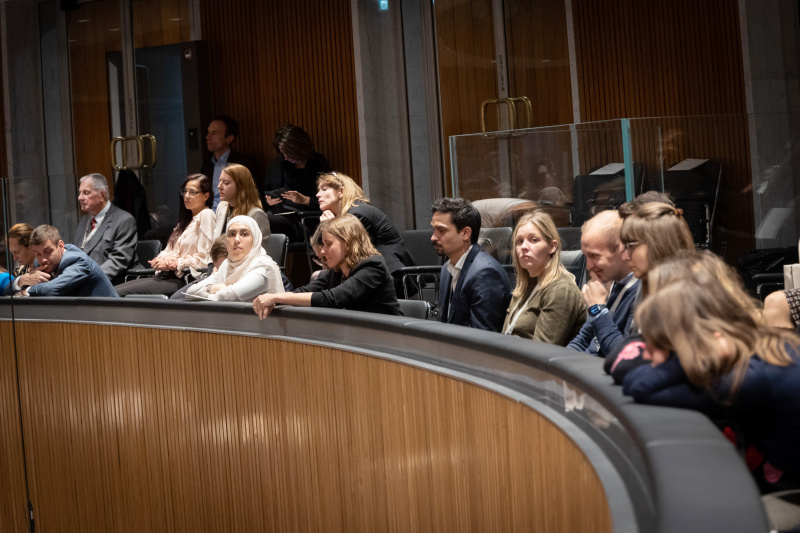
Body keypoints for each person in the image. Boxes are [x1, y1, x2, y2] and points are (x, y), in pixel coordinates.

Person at [622, 252, 800, 488]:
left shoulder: (747, 377)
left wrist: (686, 357)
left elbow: (640, 385)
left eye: (658, 345)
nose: (645, 354)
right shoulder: (753, 343)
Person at [604, 201, 696, 382]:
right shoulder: (647, 290)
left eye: (631, 246)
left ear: (657, 245)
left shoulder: (687, 298)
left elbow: (628, 364)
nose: (624, 256)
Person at [252, 214, 401, 317]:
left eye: (328, 244)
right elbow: (303, 291)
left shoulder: (373, 266)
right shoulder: (336, 271)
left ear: (348, 244)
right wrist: (275, 299)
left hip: (392, 340)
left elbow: (333, 299)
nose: (322, 251)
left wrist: (277, 297)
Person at [115, 174, 215, 297]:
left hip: (182, 280)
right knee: (111, 290)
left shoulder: (206, 215)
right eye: (185, 191)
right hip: (165, 276)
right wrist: (160, 259)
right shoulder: (185, 221)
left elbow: (205, 259)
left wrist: (172, 263)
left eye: (193, 192)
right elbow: (168, 250)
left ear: (206, 196)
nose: (187, 196)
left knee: (116, 293)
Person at [316, 172, 415, 293]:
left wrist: (330, 226)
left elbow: (344, 250)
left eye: (324, 189)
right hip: (371, 273)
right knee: (321, 278)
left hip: (389, 276)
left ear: (340, 191)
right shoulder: (352, 212)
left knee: (323, 281)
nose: (317, 194)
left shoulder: (358, 213)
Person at [502, 211, 586, 345]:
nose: (524, 247)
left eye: (534, 240)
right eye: (519, 241)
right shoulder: (524, 286)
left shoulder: (561, 290)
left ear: (552, 247)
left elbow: (542, 352)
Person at [431, 197, 511, 332]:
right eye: (433, 230)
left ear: (465, 233)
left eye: (441, 231)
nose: (433, 237)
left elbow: (483, 338)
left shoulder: (485, 273)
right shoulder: (446, 269)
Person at [567, 210, 639, 356]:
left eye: (594, 256)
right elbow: (582, 340)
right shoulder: (609, 282)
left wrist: (597, 309)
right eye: (586, 256)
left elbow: (625, 357)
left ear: (621, 250)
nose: (588, 266)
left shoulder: (642, 291)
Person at [186, 216, 282, 302]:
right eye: (232, 234)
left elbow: (230, 296)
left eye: (244, 234)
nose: (236, 239)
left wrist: (207, 293)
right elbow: (190, 292)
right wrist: (215, 288)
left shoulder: (263, 267)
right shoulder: (227, 264)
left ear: (255, 239)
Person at [263, 125, 331, 240]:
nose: (285, 158)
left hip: (306, 219)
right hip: (282, 213)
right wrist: (269, 201)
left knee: (267, 221)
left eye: (288, 153)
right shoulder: (279, 165)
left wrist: (304, 200)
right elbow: (264, 195)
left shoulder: (318, 164)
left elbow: (330, 203)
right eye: (283, 154)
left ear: (299, 148)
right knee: (257, 219)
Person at [16, 225, 117, 297]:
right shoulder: (39, 263)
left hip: (108, 319)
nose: (43, 260)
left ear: (60, 246)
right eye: (37, 254)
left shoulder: (79, 261)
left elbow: (52, 289)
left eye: (47, 251)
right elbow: (7, 288)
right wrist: (23, 280)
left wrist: (27, 290)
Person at [74, 173, 138, 284]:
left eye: (86, 193)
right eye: (80, 193)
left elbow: (118, 261)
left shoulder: (124, 220)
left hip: (113, 282)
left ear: (102, 195)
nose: (80, 197)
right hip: (83, 281)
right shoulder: (83, 221)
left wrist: (88, 279)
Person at [200, 115, 260, 210]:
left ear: (229, 139)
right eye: (208, 133)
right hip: (209, 215)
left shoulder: (244, 163)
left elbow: (251, 196)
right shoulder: (207, 165)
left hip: (234, 214)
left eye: (214, 133)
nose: (207, 137)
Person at [213, 164, 271, 250]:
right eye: (219, 181)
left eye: (226, 183)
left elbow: (259, 250)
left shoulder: (256, 214)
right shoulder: (222, 207)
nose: (219, 186)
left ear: (241, 186)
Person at [5, 223, 43, 295]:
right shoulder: (19, 269)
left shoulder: (47, 265)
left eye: (16, 252)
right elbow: (7, 292)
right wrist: (20, 281)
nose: (14, 258)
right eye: (12, 253)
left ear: (30, 245)